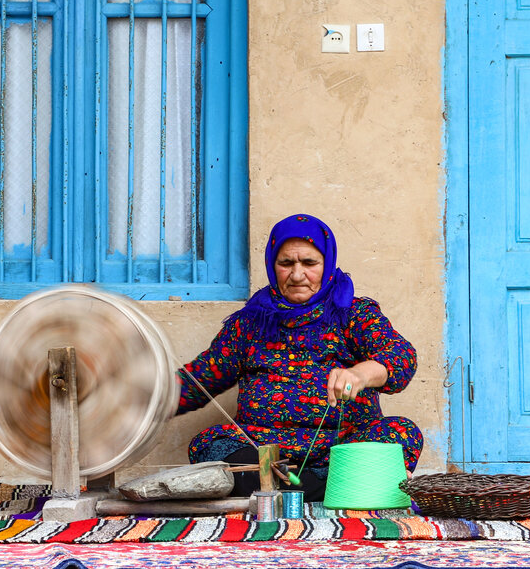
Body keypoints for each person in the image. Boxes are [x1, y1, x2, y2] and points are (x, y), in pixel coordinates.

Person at [175, 213, 421, 502]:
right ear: (272, 264)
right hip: (264, 451)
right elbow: (199, 380)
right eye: (286, 263)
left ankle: (291, 489)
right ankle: (338, 488)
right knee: (209, 445)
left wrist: (360, 374)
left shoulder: (352, 313)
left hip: (340, 447)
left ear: (326, 264)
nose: (297, 274)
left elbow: (401, 357)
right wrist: (138, 395)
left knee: (401, 432)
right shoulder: (251, 322)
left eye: (309, 263)